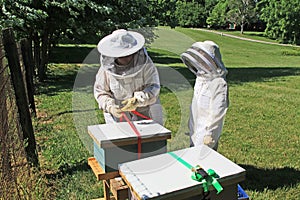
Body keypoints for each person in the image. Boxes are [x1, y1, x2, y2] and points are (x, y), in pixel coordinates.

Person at [94, 29, 163, 125]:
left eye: (127, 54)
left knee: (151, 139)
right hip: (118, 117)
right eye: (121, 55)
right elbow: (101, 91)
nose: (125, 57)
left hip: (146, 113)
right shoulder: (106, 69)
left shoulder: (145, 64)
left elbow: (154, 87)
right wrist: (110, 106)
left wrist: (138, 100)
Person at [180, 41, 229, 150]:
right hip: (195, 126)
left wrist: (210, 134)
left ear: (213, 60)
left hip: (207, 131)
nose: (201, 62)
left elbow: (218, 111)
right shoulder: (201, 79)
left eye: (204, 58)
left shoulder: (219, 83)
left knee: (204, 160)